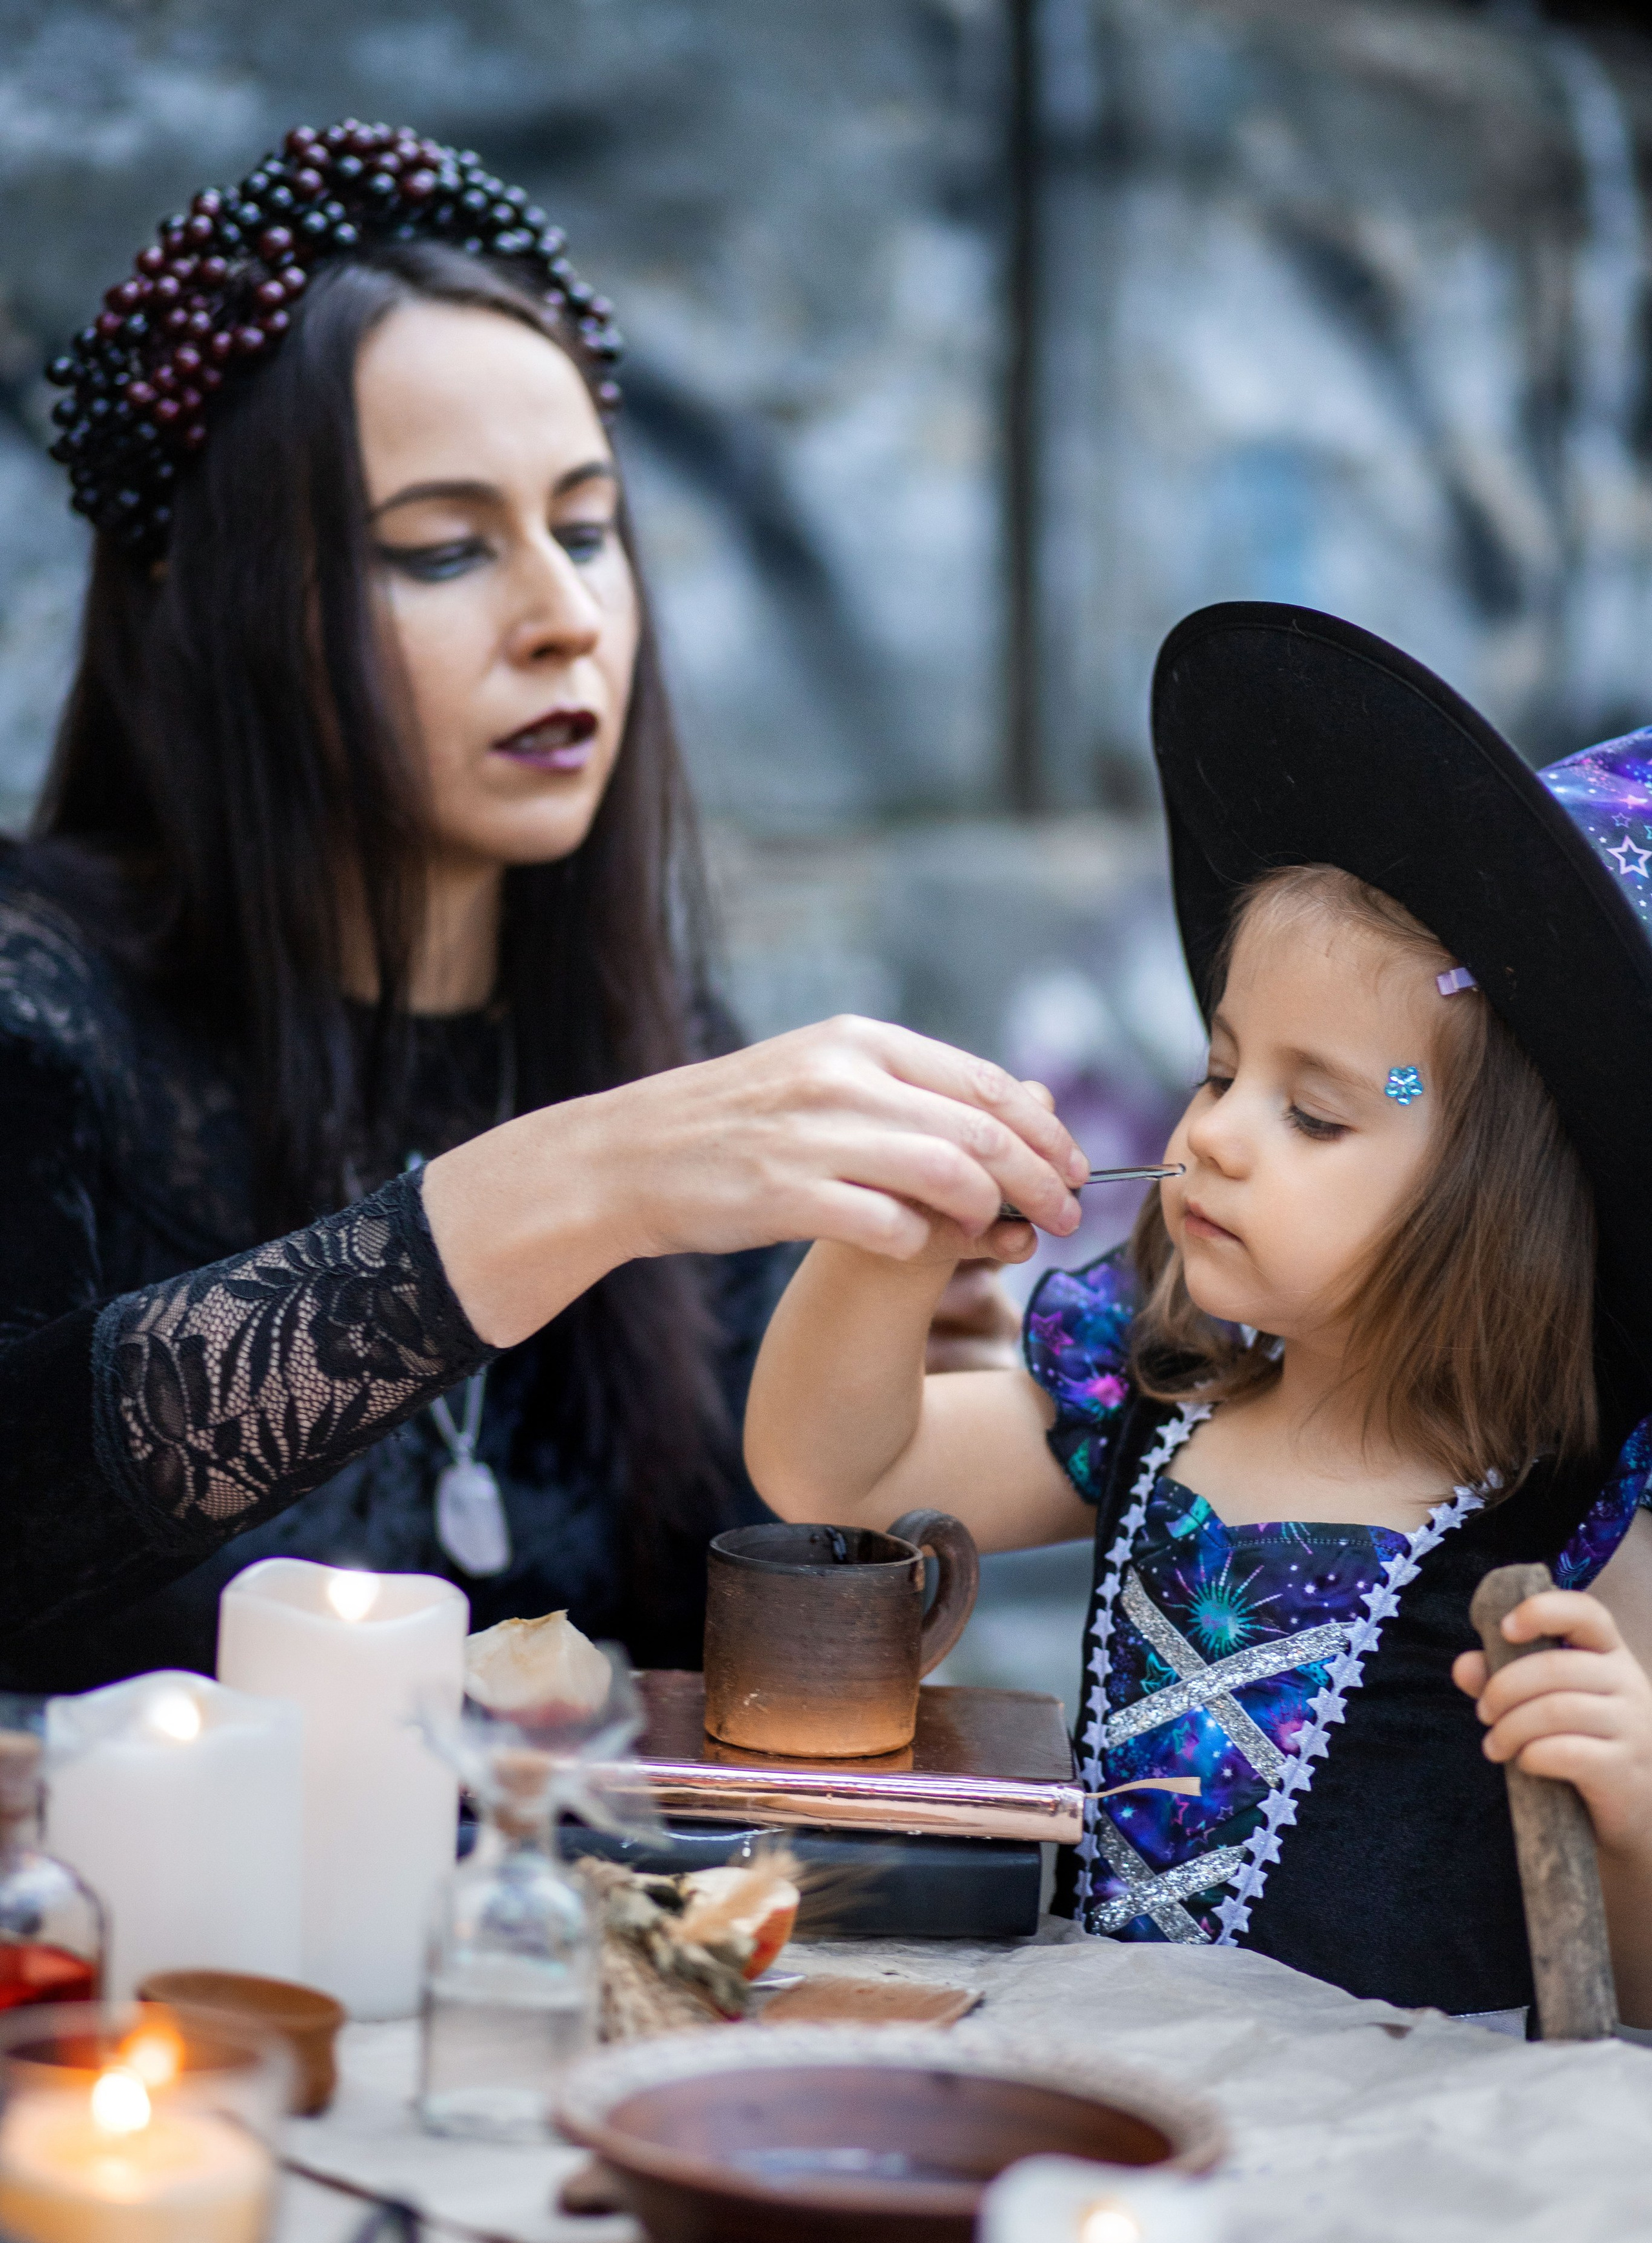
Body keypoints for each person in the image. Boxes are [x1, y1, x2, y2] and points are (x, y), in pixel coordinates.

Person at [0, 119, 1087, 1694]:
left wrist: (894, 1464)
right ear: (207, 598)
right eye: (443, 551)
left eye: (585, 531)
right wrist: (579, 1183)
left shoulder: (650, 1039)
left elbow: (705, 1694)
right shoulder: (39, 1004)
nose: (564, 618)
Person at [747, 601, 1652, 2029]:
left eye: (1312, 1112)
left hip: (1403, 2148)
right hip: (1109, 2098)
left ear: (1506, 1209)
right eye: (1219, 1070)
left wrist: (1632, 1808)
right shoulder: (1157, 1392)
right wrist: (891, 1245)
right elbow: (834, 1475)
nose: (1219, 1136)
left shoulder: (1586, 1523)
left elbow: (1625, 1992)